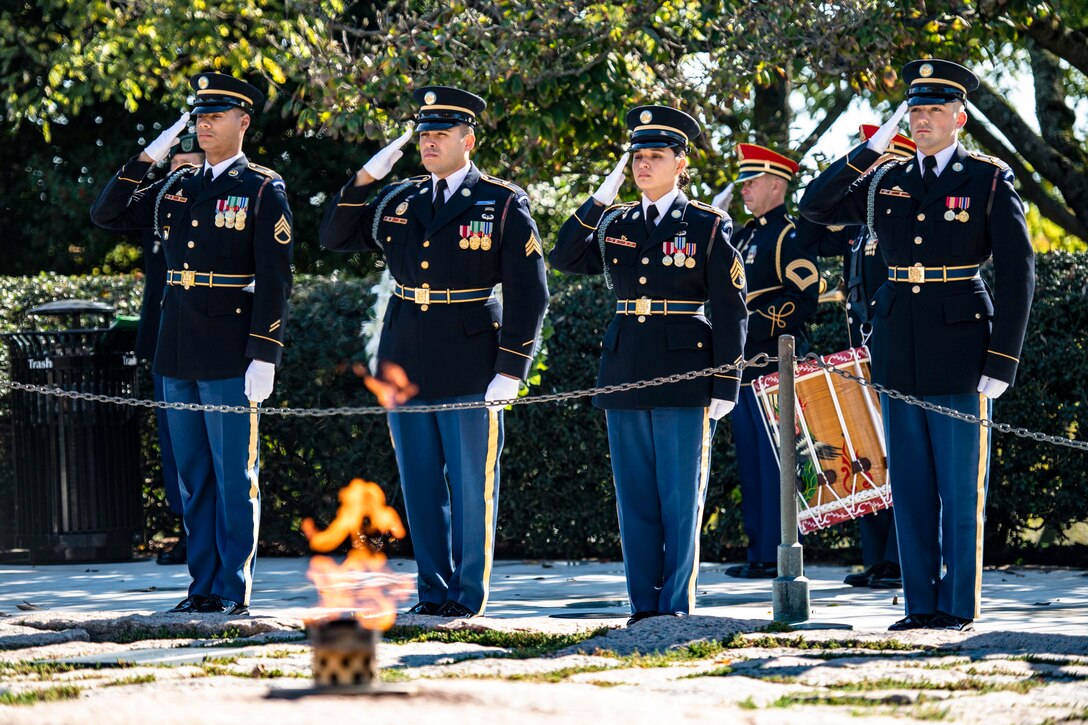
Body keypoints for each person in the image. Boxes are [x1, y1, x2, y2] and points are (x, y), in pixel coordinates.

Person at [799, 59, 1035, 631]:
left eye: (934, 109)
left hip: (961, 345)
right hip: (900, 343)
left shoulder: (987, 178)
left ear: (959, 117)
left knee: (958, 487)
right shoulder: (888, 179)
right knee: (910, 485)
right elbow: (815, 206)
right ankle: (919, 605)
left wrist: (1002, 357)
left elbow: (1018, 269)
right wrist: (868, 151)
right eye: (914, 109)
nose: (922, 118)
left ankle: (957, 607)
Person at [320, 86, 549, 619]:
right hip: (406, 358)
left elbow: (529, 291)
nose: (428, 143)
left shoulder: (501, 201)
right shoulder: (400, 199)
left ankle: (467, 596)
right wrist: (364, 179)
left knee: (472, 487)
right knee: (421, 486)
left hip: (471, 358)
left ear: (468, 140)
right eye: (424, 134)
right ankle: (433, 591)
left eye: (440, 134)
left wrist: (511, 366)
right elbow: (333, 236)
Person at [91, 72, 294, 616]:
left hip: (230, 347)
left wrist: (265, 354)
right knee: (192, 478)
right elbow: (107, 213)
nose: (204, 125)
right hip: (176, 345)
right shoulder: (177, 186)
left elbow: (275, 279)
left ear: (243, 122)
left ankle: (232, 590)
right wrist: (155, 151)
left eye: (215, 116)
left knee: (234, 475)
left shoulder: (261, 187)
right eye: (198, 116)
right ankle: (201, 586)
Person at [550, 106, 748, 625]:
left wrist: (727, 381)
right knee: (635, 496)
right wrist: (601, 196)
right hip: (625, 366)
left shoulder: (707, 224)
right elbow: (564, 256)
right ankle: (643, 606)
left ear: (680, 164)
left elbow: (731, 310)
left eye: (655, 157)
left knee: (680, 496)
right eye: (637, 157)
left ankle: (675, 605)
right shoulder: (616, 223)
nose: (643, 165)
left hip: (686, 371)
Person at [801, 124, 917, 590]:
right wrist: (855, 162)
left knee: (899, 454)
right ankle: (877, 558)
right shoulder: (859, 227)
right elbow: (809, 225)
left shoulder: (903, 217)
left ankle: (900, 557)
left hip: (895, 348)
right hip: (861, 354)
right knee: (867, 454)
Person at [721, 144, 820, 579]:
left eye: (753, 180)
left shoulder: (789, 236)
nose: (745, 188)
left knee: (775, 461)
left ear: (777, 184)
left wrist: (747, 327)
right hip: (743, 364)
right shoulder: (742, 236)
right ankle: (759, 551)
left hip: (772, 363)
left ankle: (778, 552)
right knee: (751, 460)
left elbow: (802, 298)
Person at [138, 133, 204, 567]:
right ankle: (187, 529)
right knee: (176, 445)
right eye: (173, 165)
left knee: (217, 445)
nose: (179, 173)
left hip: (210, 342)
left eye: (188, 165)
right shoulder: (159, 208)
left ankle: (212, 531)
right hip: (165, 340)